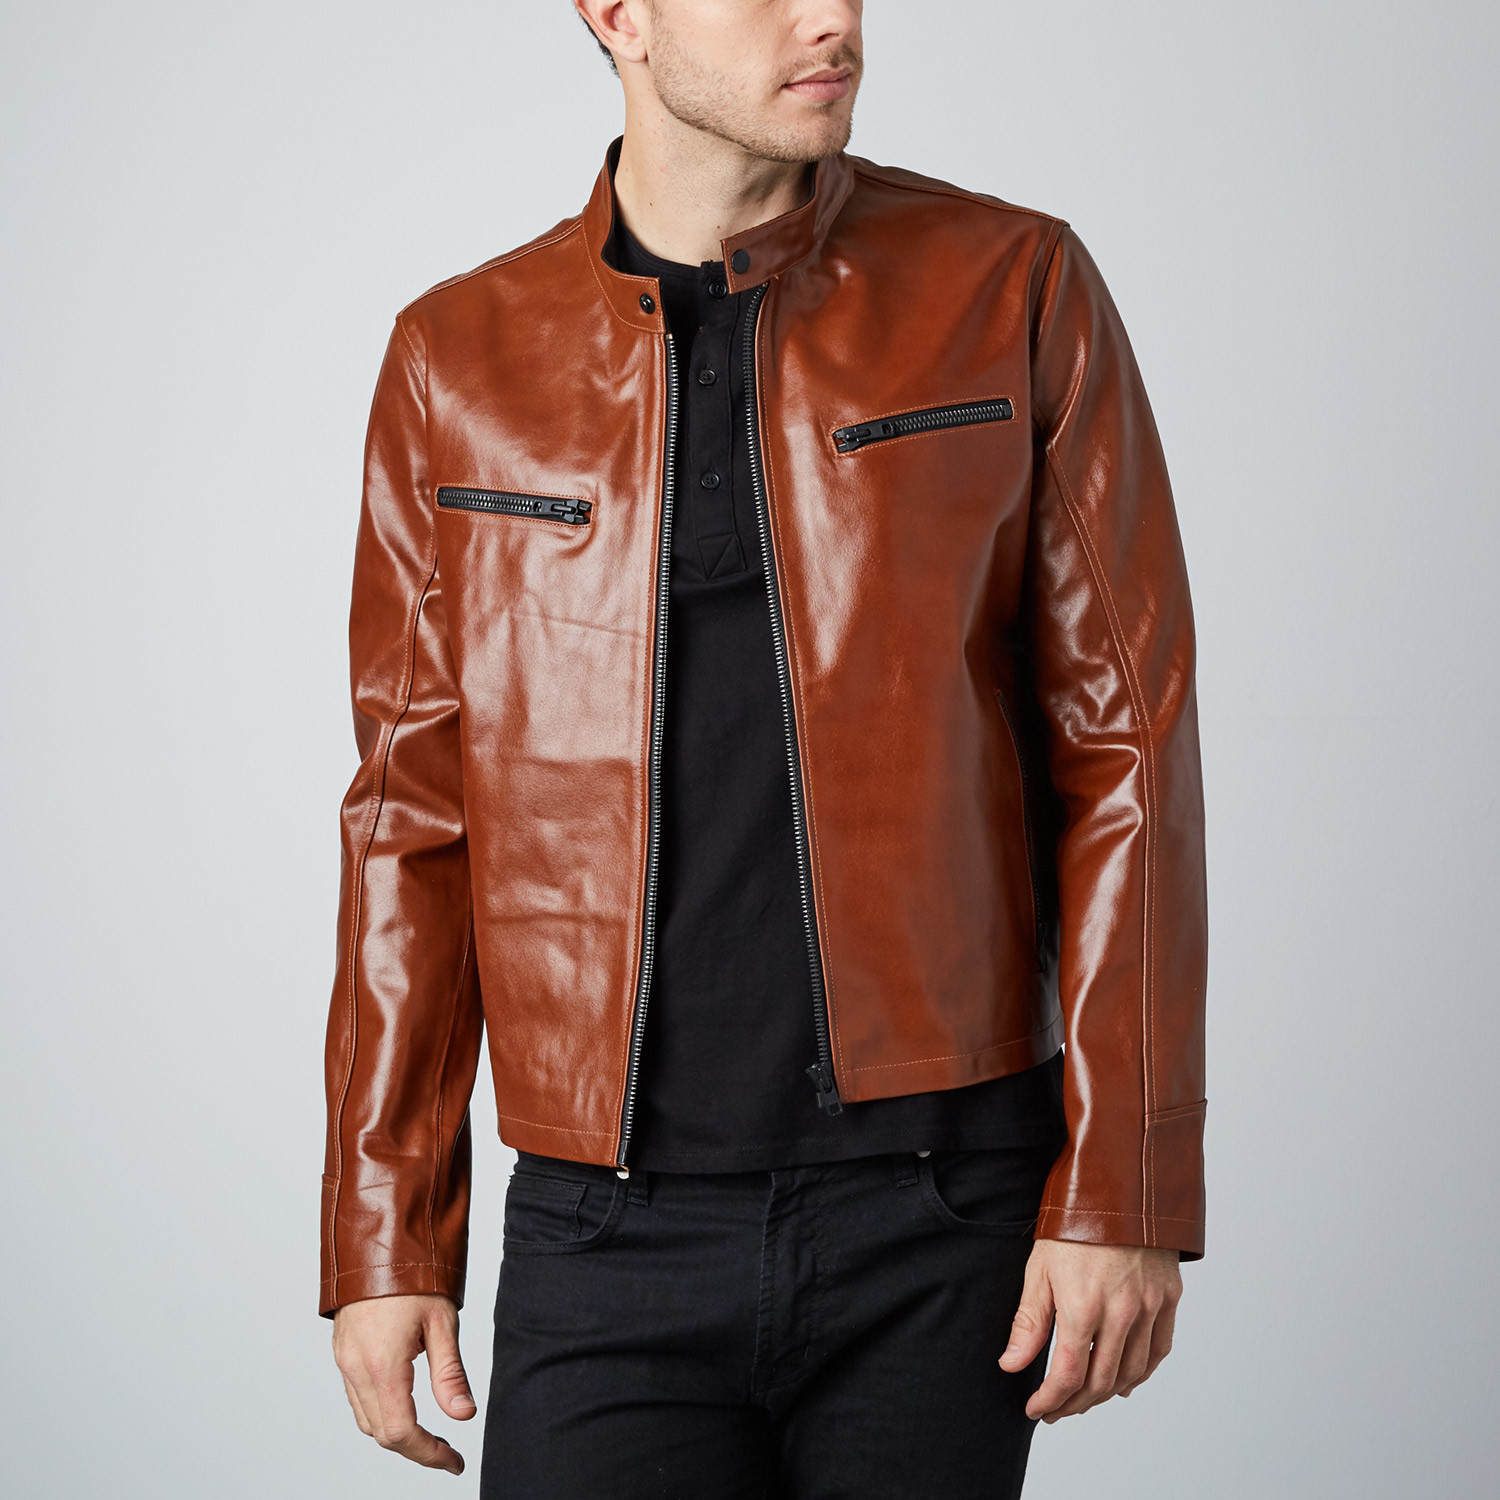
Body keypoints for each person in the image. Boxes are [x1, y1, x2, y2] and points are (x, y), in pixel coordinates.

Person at [319, 2, 1208, 1495]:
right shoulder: (457, 358)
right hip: (604, 1227)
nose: (833, 16)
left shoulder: (1010, 284)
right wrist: (384, 1229)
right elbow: (410, 816)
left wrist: (1121, 1186)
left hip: (939, 1213)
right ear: (619, 14)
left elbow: (1126, 747)